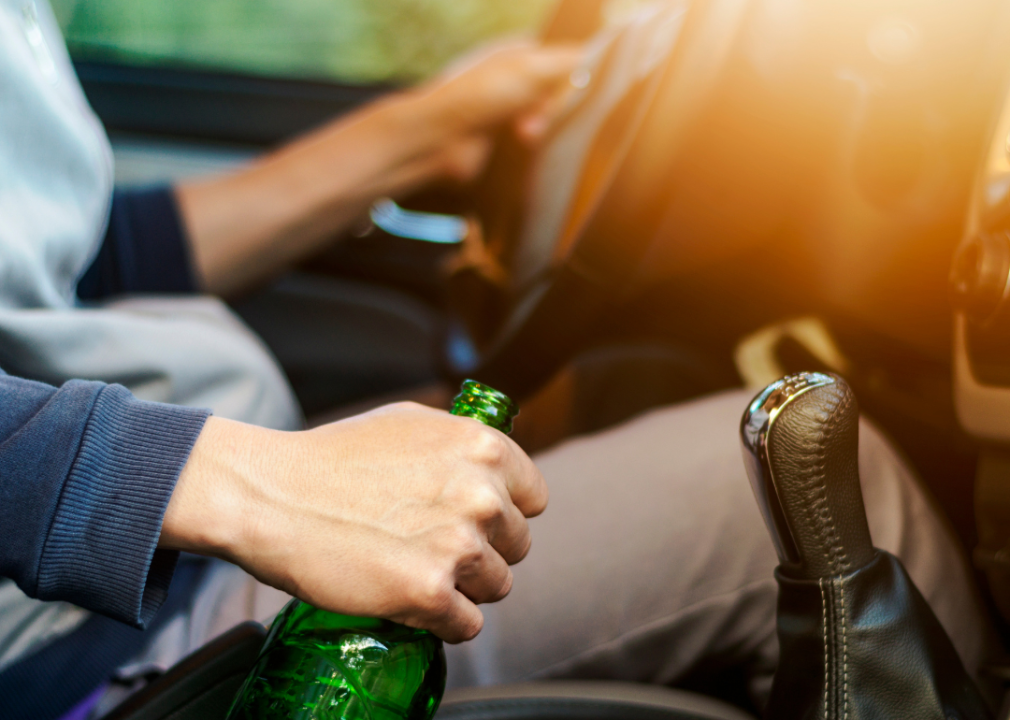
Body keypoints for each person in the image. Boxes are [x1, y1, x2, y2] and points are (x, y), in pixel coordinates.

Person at [0, 1, 992, 719]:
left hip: (152, 558)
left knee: (611, 391)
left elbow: (61, 264)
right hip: (78, 634)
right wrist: (226, 483)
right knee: (830, 489)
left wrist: (413, 136)